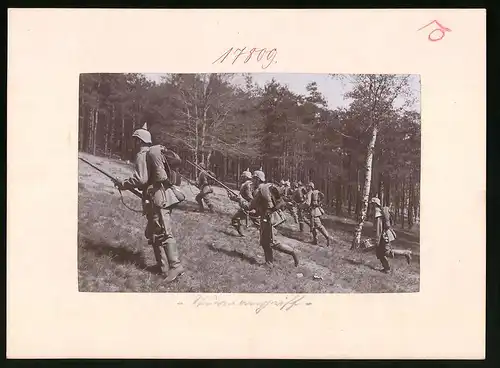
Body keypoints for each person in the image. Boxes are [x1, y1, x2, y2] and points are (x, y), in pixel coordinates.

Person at [118, 123, 185, 283]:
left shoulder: (143, 154)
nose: (133, 143)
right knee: (154, 232)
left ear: (139, 141)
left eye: (135, 140)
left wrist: (124, 183)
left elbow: (141, 178)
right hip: (162, 196)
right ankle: (162, 267)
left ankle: (175, 266)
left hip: (158, 198)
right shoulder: (154, 153)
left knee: (163, 232)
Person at [249, 169, 299, 267]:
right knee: (264, 242)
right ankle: (269, 263)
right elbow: (260, 206)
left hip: (267, 218)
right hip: (265, 217)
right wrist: (256, 211)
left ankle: (293, 253)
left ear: (258, 179)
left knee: (273, 243)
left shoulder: (262, 190)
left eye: (254, 179)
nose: (252, 181)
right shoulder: (261, 189)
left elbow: (266, 206)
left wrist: (265, 213)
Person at [370, 197, 412, 273]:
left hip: (384, 236)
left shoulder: (378, 214)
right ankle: (387, 269)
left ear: (375, 204)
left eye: (372, 204)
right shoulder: (380, 212)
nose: (371, 206)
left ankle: (405, 253)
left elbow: (379, 229)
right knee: (380, 253)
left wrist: (377, 240)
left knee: (387, 252)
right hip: (383, 236)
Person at [304, 182, 333, 246]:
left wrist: (302, 206)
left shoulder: (309, 193)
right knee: (313, 226)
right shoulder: (315, 193)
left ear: (310, 187)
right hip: (316, 211)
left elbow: (307, 204)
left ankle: (327, 237)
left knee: (318, 226)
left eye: (308, 186)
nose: (306, 187)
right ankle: (315, 240)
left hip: (313, 212)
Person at [229, 168, 255, 236]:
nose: (241, 178)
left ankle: (243, 234)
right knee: (236, 219)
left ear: (246, 177)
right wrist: (233, 198)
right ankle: (243, 234)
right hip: (248, 206)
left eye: (242, 177)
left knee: (235, 219)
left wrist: (242, 201)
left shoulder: (246, 185)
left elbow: (250, 198)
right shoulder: (250, 184)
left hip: (247, 206)